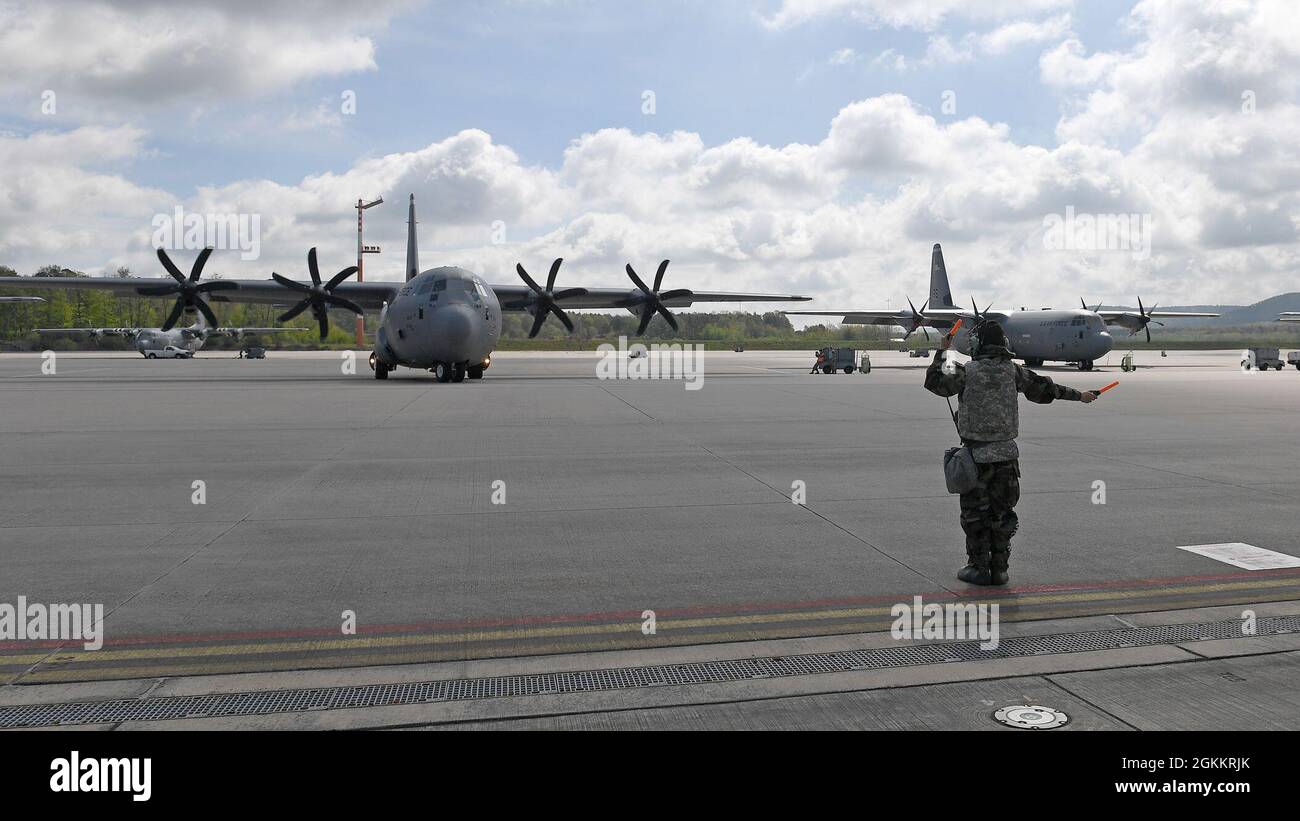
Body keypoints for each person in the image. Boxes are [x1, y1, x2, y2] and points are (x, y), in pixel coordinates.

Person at [924, 319, 1097, 586]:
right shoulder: (1013, 372)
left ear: (978, 344)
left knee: (975, 516)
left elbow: (938, 383)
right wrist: (1081, 395)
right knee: (1002, 515)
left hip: (977, 459)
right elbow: (1046, 389)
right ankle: (1000, 568)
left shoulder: (967, 372)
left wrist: (944, 351)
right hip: (1007, 460)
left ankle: (979, 567)